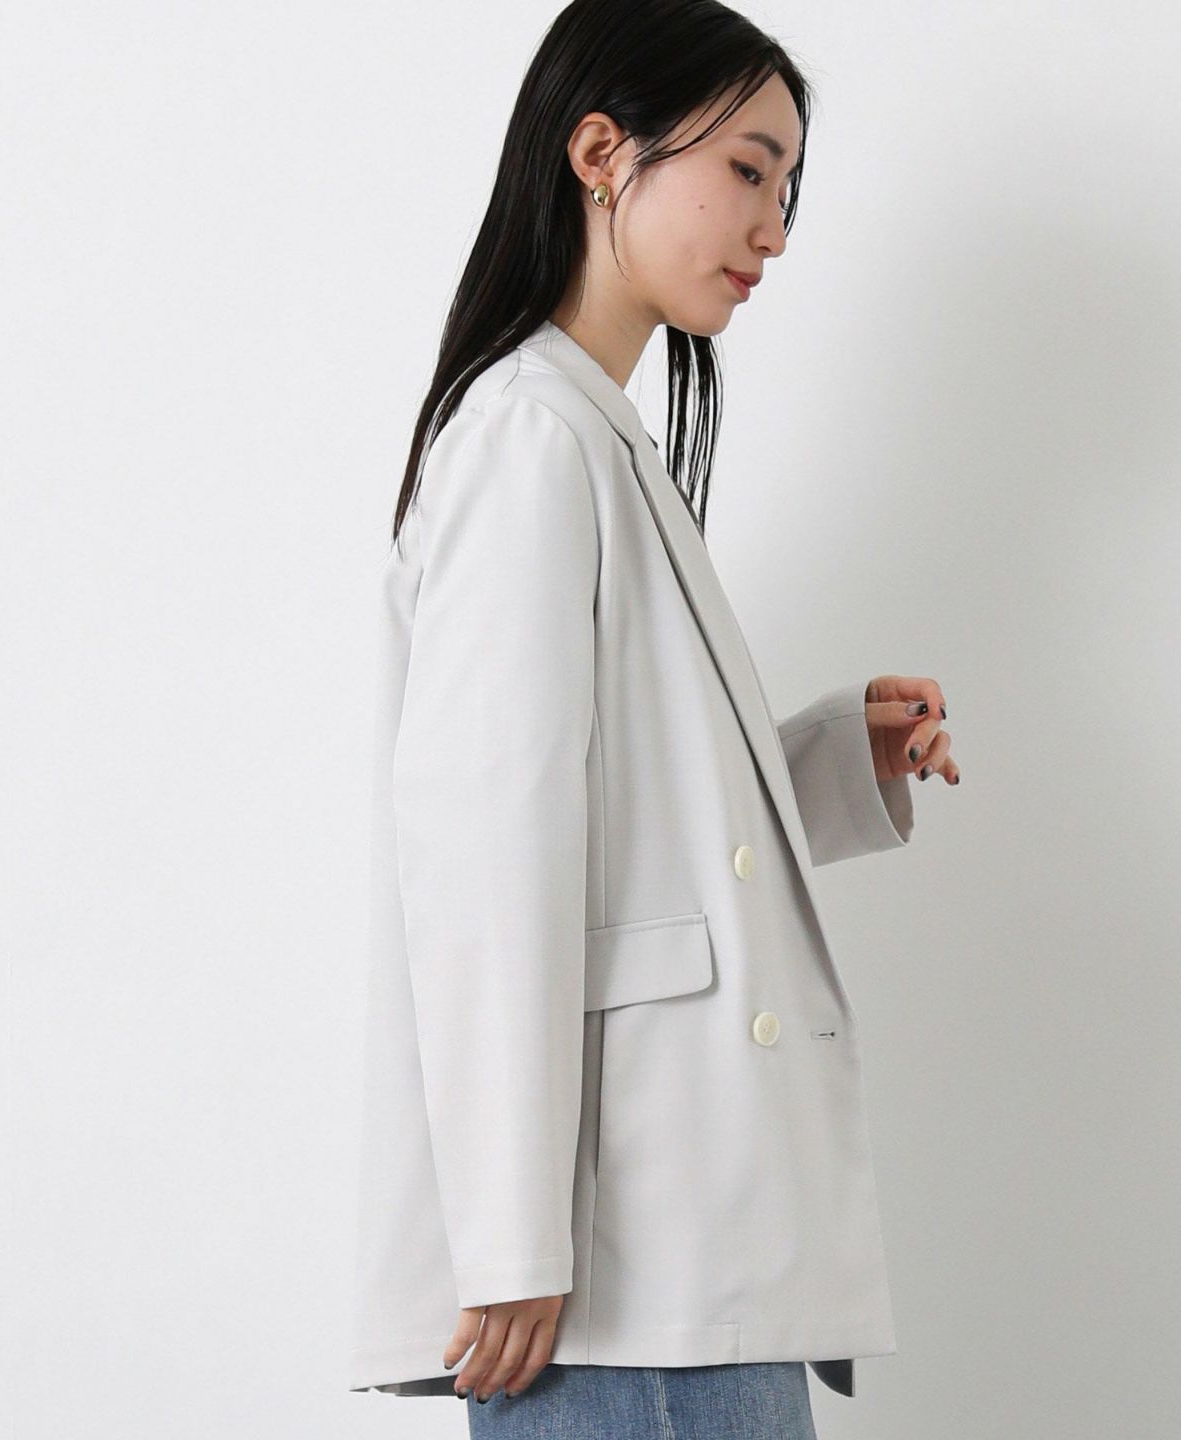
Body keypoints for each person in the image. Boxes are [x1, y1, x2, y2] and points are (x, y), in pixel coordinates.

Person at [349, 1, 959, 1435]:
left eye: (787, 187)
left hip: (677, 1252)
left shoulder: (587, 436)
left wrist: (831, 761)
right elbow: (486, 851)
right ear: (600, 153)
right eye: (748, 169)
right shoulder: (531, 438)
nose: (776, 229)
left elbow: (631, 817)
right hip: (620, 1267)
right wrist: (508, 1233)